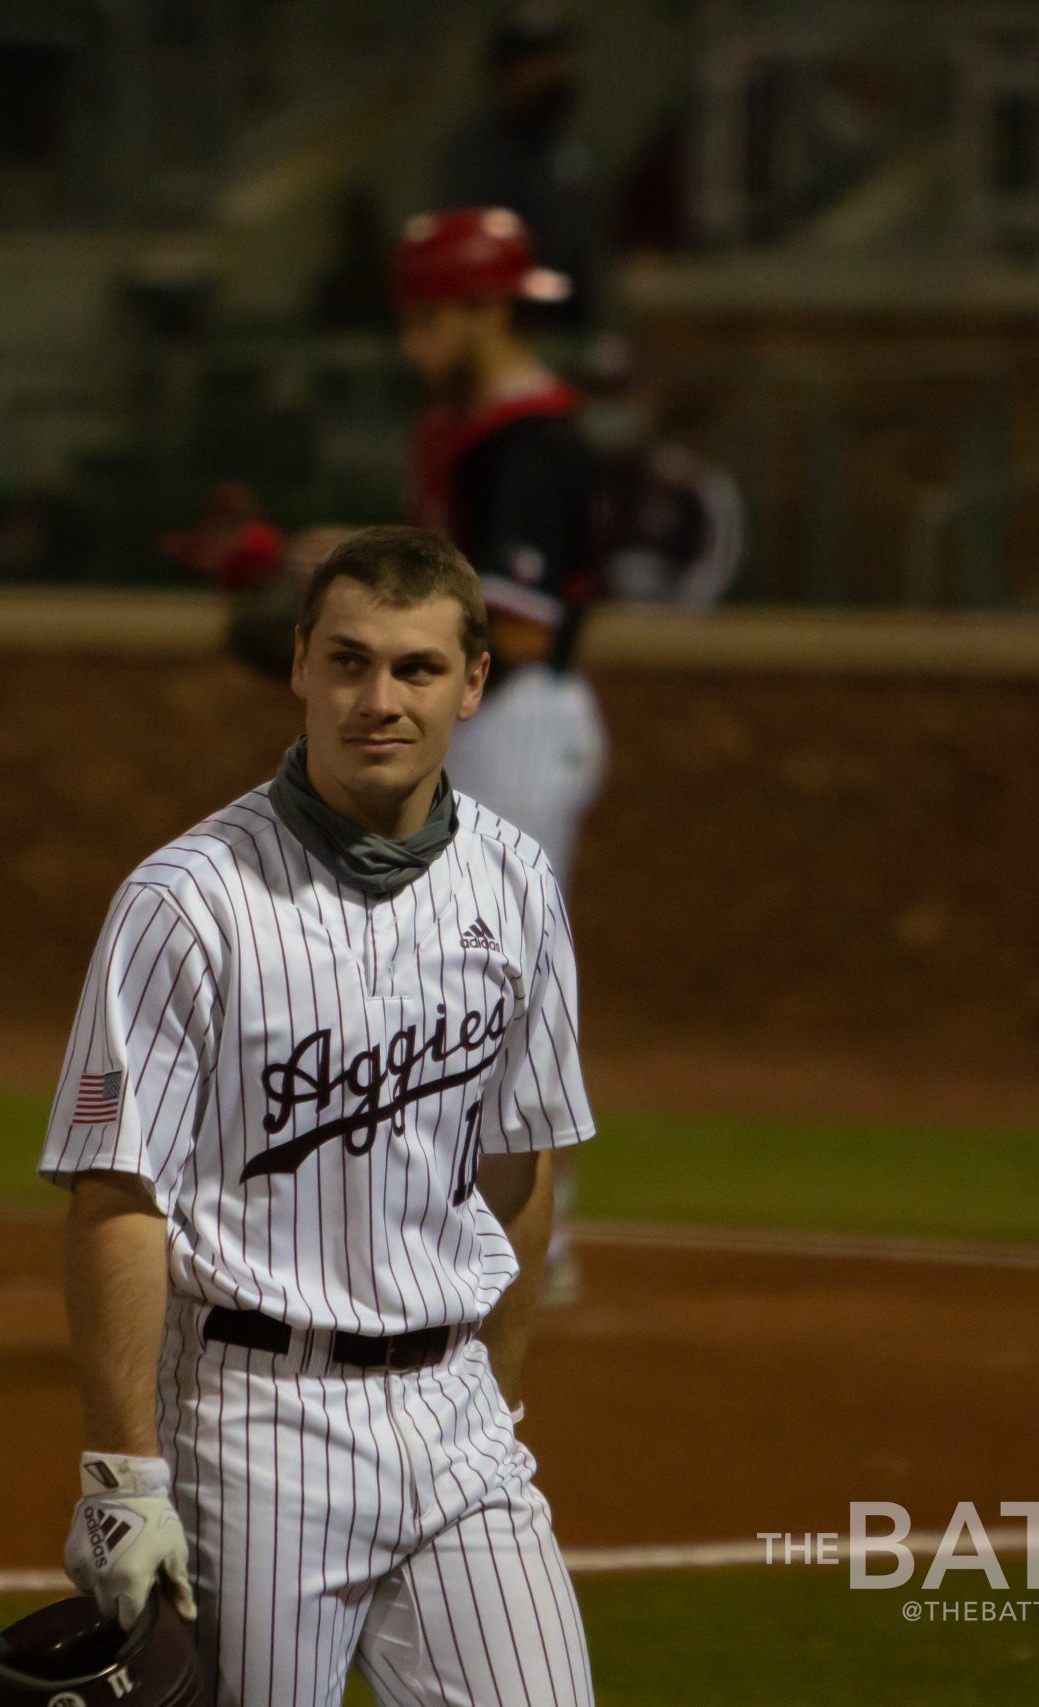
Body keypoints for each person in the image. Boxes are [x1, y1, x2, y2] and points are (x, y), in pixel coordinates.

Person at [42, 526, 596, 1707]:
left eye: (415, 669)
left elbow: (519, 1165)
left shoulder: (516, 883)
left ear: (474, 684)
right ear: (297, 667)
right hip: (254, 1429)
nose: (377, 700)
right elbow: (119, 1194)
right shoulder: (186, 904)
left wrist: (500, 1380)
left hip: (457, 1425)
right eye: (347, 663)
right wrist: (124, 1475)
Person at [397, 205, 604, 1307]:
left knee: (494, 984)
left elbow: (517, 624)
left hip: (521, 722)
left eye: (427, 318)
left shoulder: (534, 440)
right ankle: (488, 1231)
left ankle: (528, 1241)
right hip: (487, 724)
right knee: (450, 979)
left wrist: (382, 621)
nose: (409, 343)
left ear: (483, 310)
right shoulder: (480, 431)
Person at [434, 4, 598, 330]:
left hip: (567, 329)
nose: (561, 70)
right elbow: (474, 267)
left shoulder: (568, 149)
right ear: (509, 71)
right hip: (503, 330)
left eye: (561, 55)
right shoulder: (476, 155)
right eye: (543, 59)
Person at [582, 334, 747, 609]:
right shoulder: (569, 479)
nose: (609, 409)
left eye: (620, 395)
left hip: (675, 640)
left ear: (648, 398)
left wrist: (678, 621)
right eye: (599, 394)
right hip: (587, 638)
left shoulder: (690, 483)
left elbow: (716, 561)